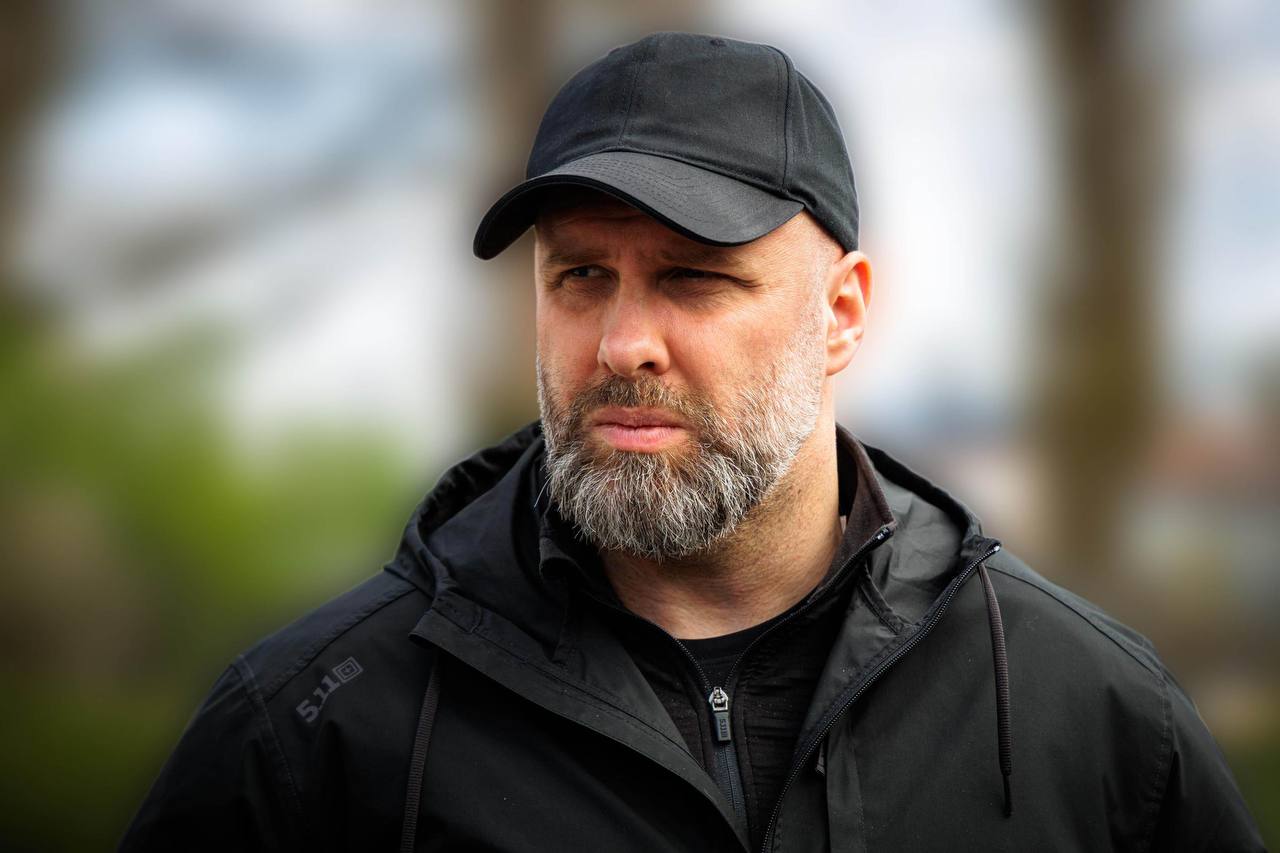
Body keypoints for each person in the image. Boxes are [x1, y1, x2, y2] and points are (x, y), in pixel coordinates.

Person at [120, 31, 1264, 852]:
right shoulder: (313, 733)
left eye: (693, 278)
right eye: (579, 275)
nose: (622, 343)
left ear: (841, 314)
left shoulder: (1087, 715)